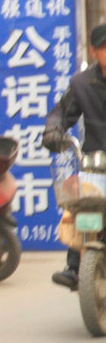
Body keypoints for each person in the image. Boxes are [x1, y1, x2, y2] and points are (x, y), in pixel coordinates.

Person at [42, 23, 106, 290]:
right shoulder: (81, 84)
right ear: (94, 51)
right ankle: (73, 266)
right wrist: (54, 130)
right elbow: (61, 112)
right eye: (103, 47)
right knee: (80, 204)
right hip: (96, 162)